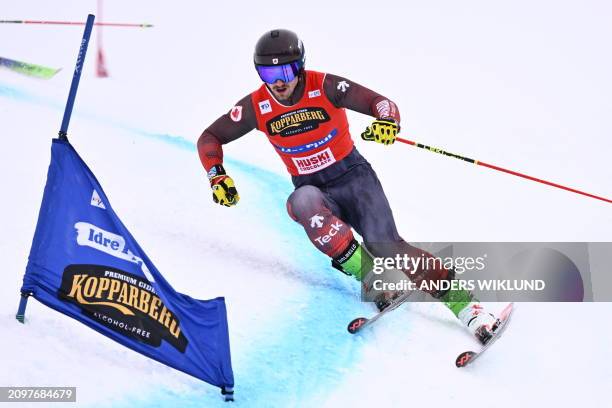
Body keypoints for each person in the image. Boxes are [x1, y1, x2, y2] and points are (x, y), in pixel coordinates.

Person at [197, 29, 499, 344]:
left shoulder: (325, 86)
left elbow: (381, 103)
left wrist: (387, 122)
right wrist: (216, 175)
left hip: (354, 178)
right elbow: (210, 137)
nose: (278, 81)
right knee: (301, 202)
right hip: (313, 188)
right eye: (267, 72)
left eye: (285, 70)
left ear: (300, 66)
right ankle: (372, 279)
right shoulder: (256, 106)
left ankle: (468, 308)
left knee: (387, 246)